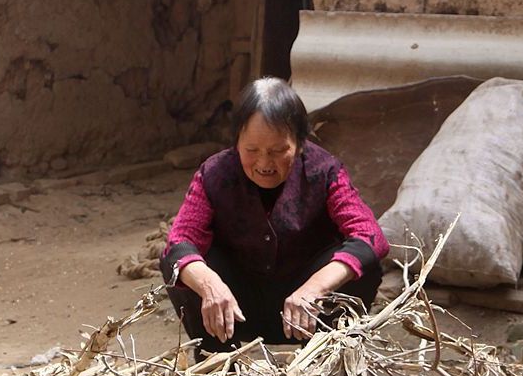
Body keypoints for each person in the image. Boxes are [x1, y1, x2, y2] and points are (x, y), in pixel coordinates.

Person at [161, 77, 389, 352]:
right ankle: (216, 362)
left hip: (307, 313)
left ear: (300, 143)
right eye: (252, 150)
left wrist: (315, 289)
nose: (264, 164)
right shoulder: (214, 174)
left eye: (278, 151)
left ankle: (327, 363)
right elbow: (179, 241)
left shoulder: (324, 171)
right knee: (183, 264)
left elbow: (370, 236)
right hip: (236, 308)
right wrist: (210, 286)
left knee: (362, 264)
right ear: (236, 142)